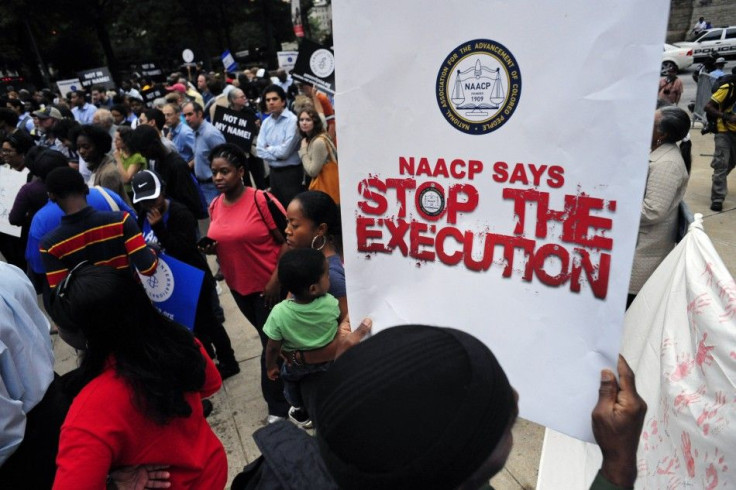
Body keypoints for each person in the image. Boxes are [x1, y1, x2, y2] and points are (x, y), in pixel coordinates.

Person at [233, 325, 646, 490]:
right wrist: (617, 466)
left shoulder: (333, 458)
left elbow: (371, 442)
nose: (517, 398)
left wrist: (355, 386)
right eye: (504, 421)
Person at [48, 264, 227, 489]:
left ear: (85, 337)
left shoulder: (87, 416)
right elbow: (211, 383)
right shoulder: (180, 342)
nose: (56, 327)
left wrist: (112, 484)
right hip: (211, 470)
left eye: (60, 323)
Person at [202, 143, 290, 422]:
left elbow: (289, 238)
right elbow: (229, 240)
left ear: (241, 171)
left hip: (269, 289)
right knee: (277, 343)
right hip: (239, 288)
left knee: (270, 345)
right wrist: (213, 248)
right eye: (214, 172)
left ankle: (278, 408)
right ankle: (293, 386)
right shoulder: (215, 205)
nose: (218, 177)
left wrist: (276, 279)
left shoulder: (261, 200)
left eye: (224, 172)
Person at [131, 170, 239, 379]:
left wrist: (160, 228)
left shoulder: (180, 213)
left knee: (209, 323)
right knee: (193, 328)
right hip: (170, 284)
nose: (150, 205)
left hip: (193, 278)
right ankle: (207, 357)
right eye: (144, 202)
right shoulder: (143, 216)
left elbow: (183, 248)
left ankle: (229, 361)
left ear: (162, 191)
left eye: (153, 198)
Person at [39, 167, 158, 289]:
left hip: (87, 307)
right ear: (86, 188)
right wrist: (152, 250)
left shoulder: (50, 246)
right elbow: (148, 268)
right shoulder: (121, 221)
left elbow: (61, 294)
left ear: (52, 196)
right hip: (128, 302)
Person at [264, 248, 340, 428]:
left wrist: (271, 366)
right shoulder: (331, 303)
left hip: (297, 364)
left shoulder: (279, 313)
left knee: (289, 380)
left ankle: (298, 407)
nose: (330, 278)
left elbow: (272, 347)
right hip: (329, 362)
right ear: (313, 288)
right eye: (327, 275)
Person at [0, 263, 56, 489]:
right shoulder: (6, 270)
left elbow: (6, 429)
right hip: (52, 393)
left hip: (23, 446)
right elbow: (40, 326)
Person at [627, 106, 690, 308]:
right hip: (634, 244)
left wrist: (616, 206)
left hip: (643, 251)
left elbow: (653, 211)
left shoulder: (667, 164)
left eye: (650, 122)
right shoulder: (656, 152)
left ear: (662, 134)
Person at [284, 190, 347, 322]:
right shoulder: (305, 259)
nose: (287, 230)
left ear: (321, 229)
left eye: (294, 225)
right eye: (287, 222)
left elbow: (347, 328)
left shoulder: (330, 275)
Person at [130, 124, 207, 219]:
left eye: (144, 150)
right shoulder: (158, 162)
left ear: (154, 143)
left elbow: (188, 201)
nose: (143, 155)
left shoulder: (176, 165)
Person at [256, 85, 303, 207]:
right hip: (273, 174)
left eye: (274, 99)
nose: (271, 102)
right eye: (268, 100)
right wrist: (276, 152)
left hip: (291, 173)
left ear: (283, 102)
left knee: (294, 210)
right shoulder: (266, 122)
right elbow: (259, 150)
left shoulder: (292, 121)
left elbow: (284, 152)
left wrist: (269, 148)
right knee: (278, 211)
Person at [75, 124, 131, 207]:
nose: (81, 151)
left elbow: (109, 207)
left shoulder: (108, 173)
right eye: (78, 147)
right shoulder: (96, 167)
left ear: (99, 146)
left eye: (86, 147)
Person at [704, 73, 736, 212]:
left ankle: (718, 178)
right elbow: (708, 107)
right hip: (724, 132)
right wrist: (726, 116)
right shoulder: (728, 88)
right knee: (721, 164)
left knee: (730, 163)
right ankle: (717, 198)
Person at [183, 101, 226, 205]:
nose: (187, 119)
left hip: (214, 186)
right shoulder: (195, 132)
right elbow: (204, 155)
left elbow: (225, 157)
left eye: (190, 114)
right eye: (184, 115)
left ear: (200, 114)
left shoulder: (210, 134)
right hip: (205, 186)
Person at [298, 108, 340, 204]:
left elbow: (312, 171)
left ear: (315, 122)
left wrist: (303, 150)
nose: (304, 123)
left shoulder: (318, 142)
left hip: (326, 188)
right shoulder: (315, 138)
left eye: (308, 120)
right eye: (301, 120)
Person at [113, 126, 147, 200]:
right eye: (115, 138)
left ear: (126, 141)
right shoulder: (120, 153)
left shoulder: (137, 157)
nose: (115, 141)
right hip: (121, 192)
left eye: (118, 139)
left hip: (132, 194)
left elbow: (126, 179)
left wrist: (118, 160)